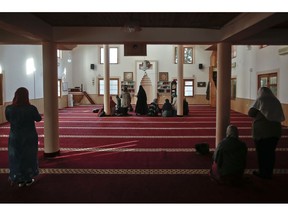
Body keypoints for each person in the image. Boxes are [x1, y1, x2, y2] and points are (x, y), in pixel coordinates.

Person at [5, 87, 42, 187]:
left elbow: (8, 119)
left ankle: (19, 179)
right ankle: (28, 179)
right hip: (29, 136)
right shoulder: (31, 108)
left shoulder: (9, 109)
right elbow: (38, 119)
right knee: (29, 157)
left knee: (16, 157)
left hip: (15, 137)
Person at [248, 87, 285, 179]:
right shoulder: (276, 100)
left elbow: (251, 113)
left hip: (262, 132)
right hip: (275, 131)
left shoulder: (260, 99)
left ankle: (262, 172)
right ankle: (269, 172)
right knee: (270, 152)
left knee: (262, 153)